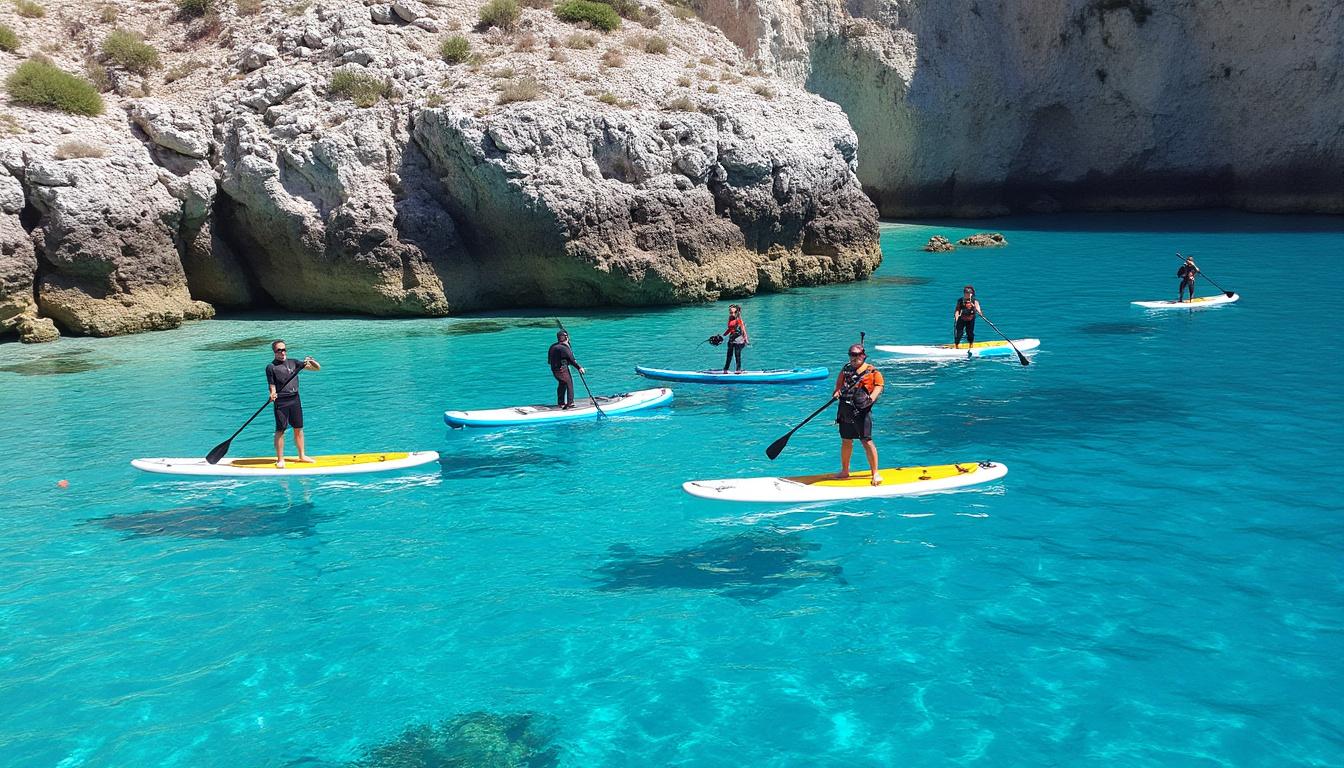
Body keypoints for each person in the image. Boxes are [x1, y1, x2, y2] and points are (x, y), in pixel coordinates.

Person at [833, 344, 885, 486]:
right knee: (846, 440)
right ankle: (845, 471)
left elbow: (879, 385)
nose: (854, 358)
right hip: (845, 409)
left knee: (866, 440)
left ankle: (875, 473)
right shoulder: (846, 368)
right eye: (852, 355)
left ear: (863, 356)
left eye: (857, 355)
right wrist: (837, 392)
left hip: (861, 409)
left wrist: (871, 398)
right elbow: (839, 384)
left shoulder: (871, 371)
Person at [266, 339, 320, 468]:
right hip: (281, 402)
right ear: (275, 352)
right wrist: (272, 394)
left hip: (295, 399)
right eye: (279, 350)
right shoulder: (271, 367)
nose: (283, 352)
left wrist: (312, 361)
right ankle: (280, 459)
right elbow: (271, 385)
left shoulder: (294, 362)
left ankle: (302, 456)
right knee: (280, 430)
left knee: (298, 428)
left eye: (284, 349)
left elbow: (317, 368)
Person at [548, 330, 585, 409]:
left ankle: (560, 403)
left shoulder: (552, 346)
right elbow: (571, 360)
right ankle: (570, 403)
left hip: (554, 370)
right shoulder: (564, 348)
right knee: (569, 384)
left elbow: (549, 361)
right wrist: (579, 368)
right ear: (566, 338)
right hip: (562, 370)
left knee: (562, 383)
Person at [721, 304, 749, 373]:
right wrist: (723, 335)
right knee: (729, 355)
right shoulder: (730, 319)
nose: (732, 314)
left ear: (737, 312)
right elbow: (730, 329)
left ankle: (738, 369)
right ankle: (725, 369)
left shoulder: (739, 320)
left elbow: (743, 329)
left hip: (739, 339)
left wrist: (746, 339)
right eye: (731, 312)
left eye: (734, 312)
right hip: (731, 339)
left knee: (737, 354)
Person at [953, 285, 981, 349]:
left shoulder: (975, 301)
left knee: (970, 333)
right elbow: (957, 310)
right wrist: (956, 318)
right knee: (959, 333)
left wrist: (979, 312)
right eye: (966, 293)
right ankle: (956, 346)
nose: (968, 294)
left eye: (969, 293)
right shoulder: (960, 301)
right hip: (962, 318)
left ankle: (971, 345)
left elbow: (978, 309)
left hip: (970, 319)